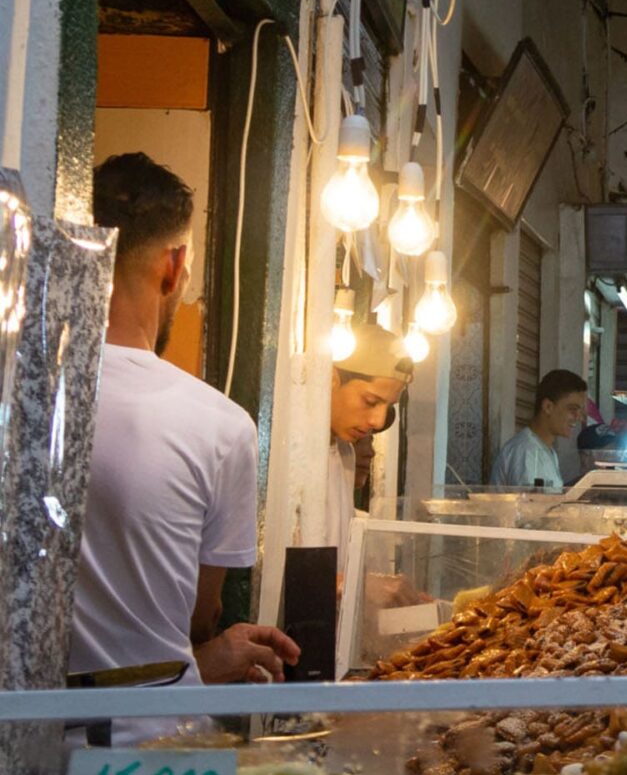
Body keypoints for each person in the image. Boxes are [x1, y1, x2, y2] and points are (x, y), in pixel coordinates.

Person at [73, 153, 299, 737]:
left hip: (24, 746)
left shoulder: (23, 400)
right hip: (157, 760)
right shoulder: (221, 426)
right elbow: (198, 614)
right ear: (174, 266)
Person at [328, 324, 412, 570]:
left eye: (387, 406)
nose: (377, 421)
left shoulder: (344, 453)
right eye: (371, 401)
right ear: (332, 379)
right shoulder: (293, 452)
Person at [491, 369, 588, 487]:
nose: (578, 417)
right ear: (548, 407)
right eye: (572, 409)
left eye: (580, 411)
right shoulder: (527, 452)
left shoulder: (546, 450)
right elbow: (530, 502)